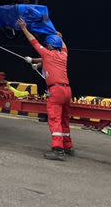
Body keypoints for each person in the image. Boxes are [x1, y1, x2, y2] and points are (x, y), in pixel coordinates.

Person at [18, 18, 73, 161]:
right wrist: (33, 61)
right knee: (64, 119)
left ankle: (58, 150)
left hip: (56, 91)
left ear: (48, 46)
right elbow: (56, 53)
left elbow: (33, 41)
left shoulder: (47, 53)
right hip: (67, 91)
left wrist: (24, 28)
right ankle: (68, 147)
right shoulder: (64, 55)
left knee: (55, 119)